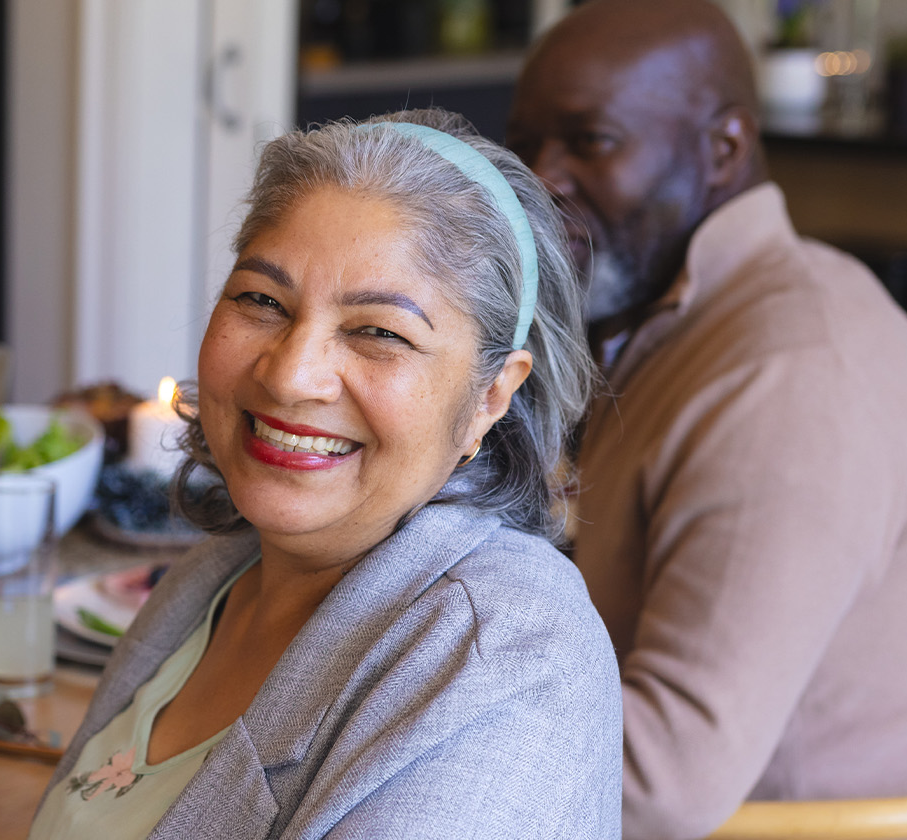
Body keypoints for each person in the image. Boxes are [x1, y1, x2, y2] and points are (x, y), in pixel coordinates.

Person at [31, 109, 620, 839]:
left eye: (379, 332)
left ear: (491, 396)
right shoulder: (213, 580)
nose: (291, 376)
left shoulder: (505, 650)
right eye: (261, 301)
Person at [506, 1, 907, 837]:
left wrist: (407, 723)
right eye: (525, 144)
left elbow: (664, 787)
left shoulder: (792, 377)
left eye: (590, 140)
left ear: (723, 150)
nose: (537, 179)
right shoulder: (685, 316)